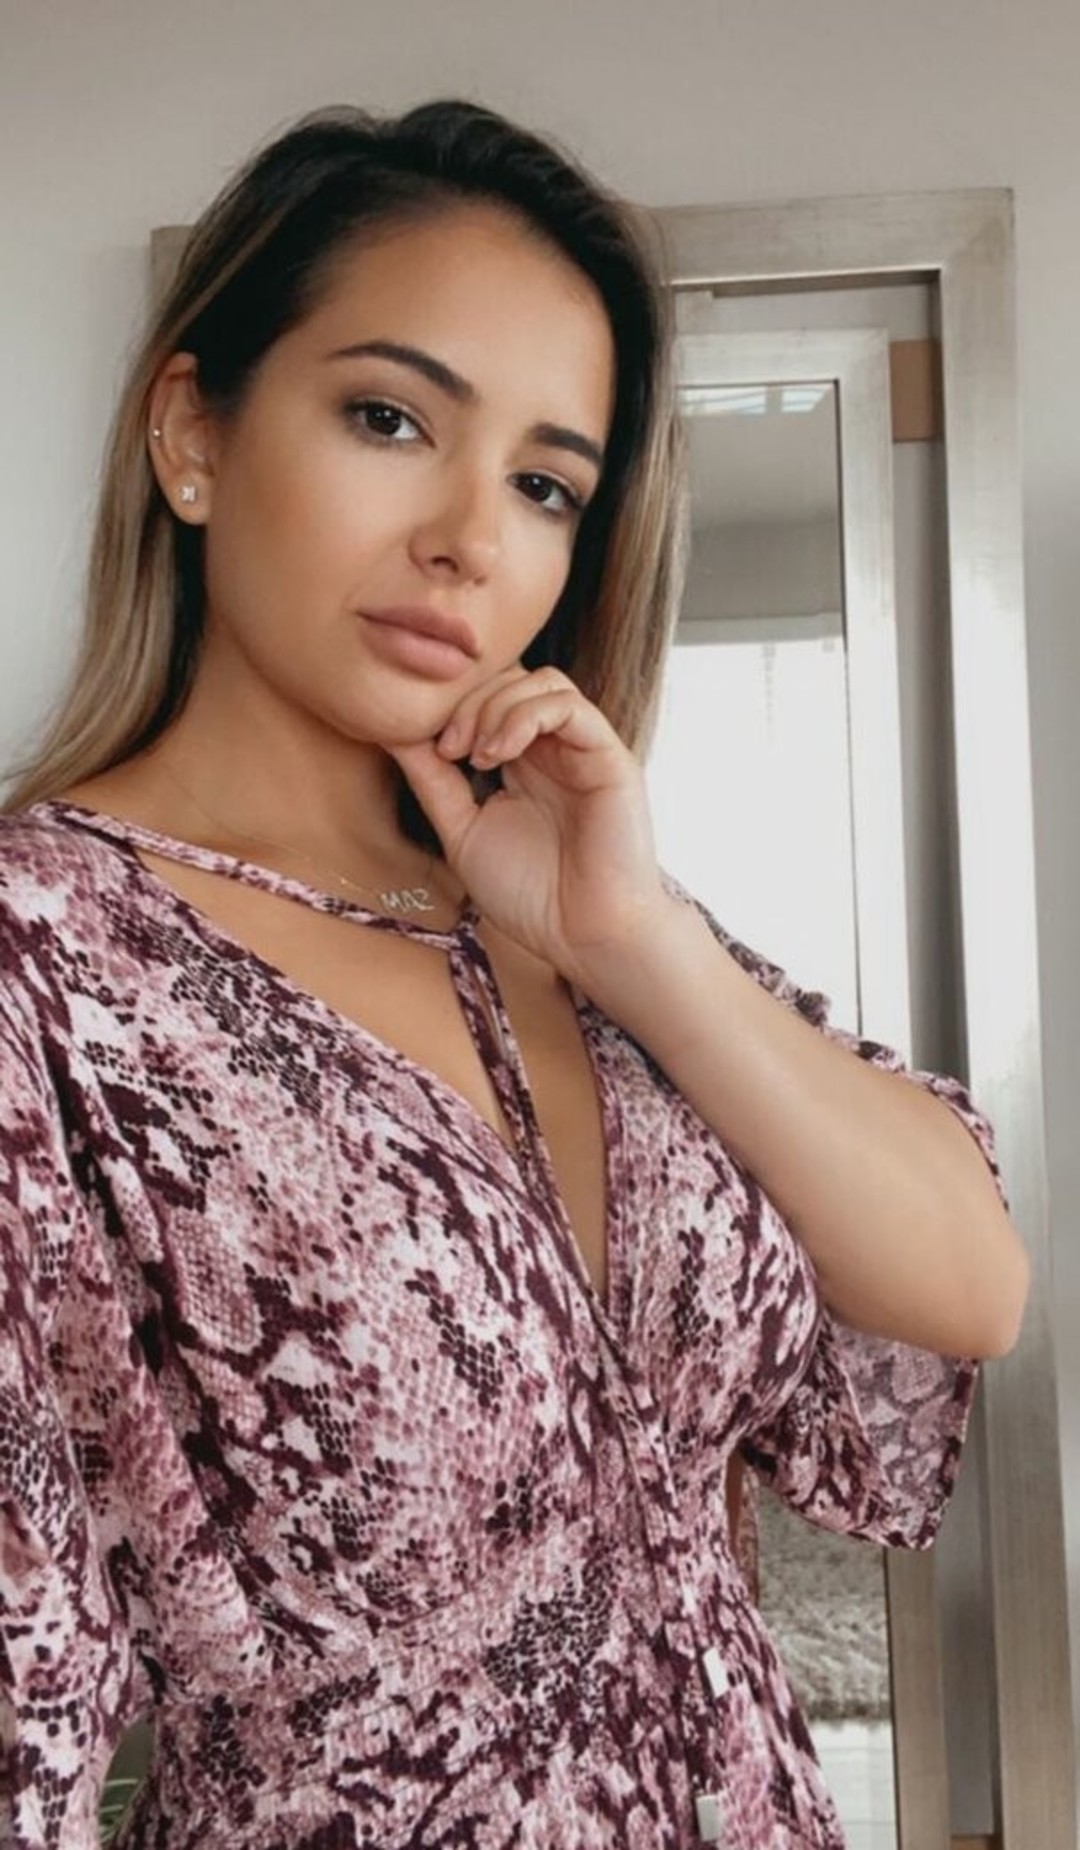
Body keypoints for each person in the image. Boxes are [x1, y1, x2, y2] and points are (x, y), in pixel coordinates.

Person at [0, 100, 1027, 1850]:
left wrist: (641, 945)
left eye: (547, 483)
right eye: (390, 418)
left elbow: (969, 1286)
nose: (473, 538)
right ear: (192, 431)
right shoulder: (49, 967)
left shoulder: (578, 916)